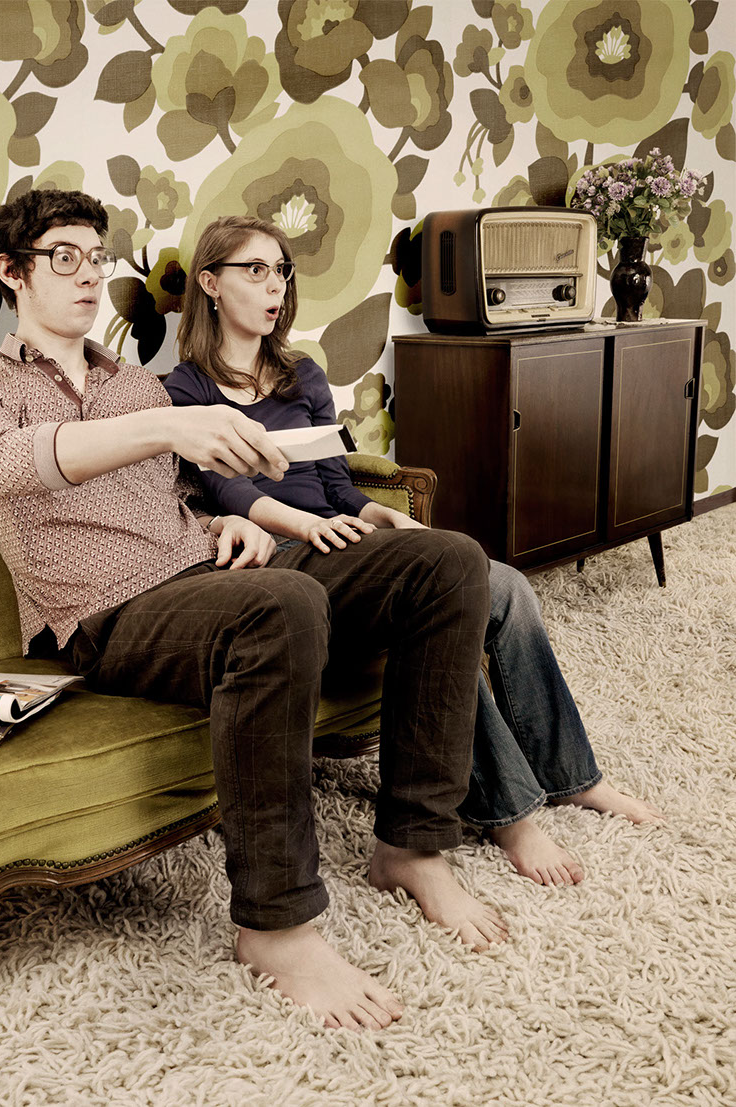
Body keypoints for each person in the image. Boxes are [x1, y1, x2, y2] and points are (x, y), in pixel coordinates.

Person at [0, 189, 519, 1033]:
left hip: (203, 570)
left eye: (96, 257)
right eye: (64, 257)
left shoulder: (135, 382)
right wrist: (169, 428)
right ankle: (276, 926)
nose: (89, 274)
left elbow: (165, 499)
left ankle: (414, 845)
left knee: (447, 560)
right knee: (282, 603)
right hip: (102, 615)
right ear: (11, 272)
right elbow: (9, 467)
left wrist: (220, 522)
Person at [165, 214, 664, 887]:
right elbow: (226, 489)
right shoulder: (185, 390)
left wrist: (381, 515)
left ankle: (573, 776)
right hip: (281, 554)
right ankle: (510, 815)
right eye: (254, 270)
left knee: (507, 586)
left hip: (343, 536)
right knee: (439, 598)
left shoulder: (301, 374)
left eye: (280, 270)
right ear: (210, 283)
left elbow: (337, 481)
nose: (275, 285)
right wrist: (306, 527)